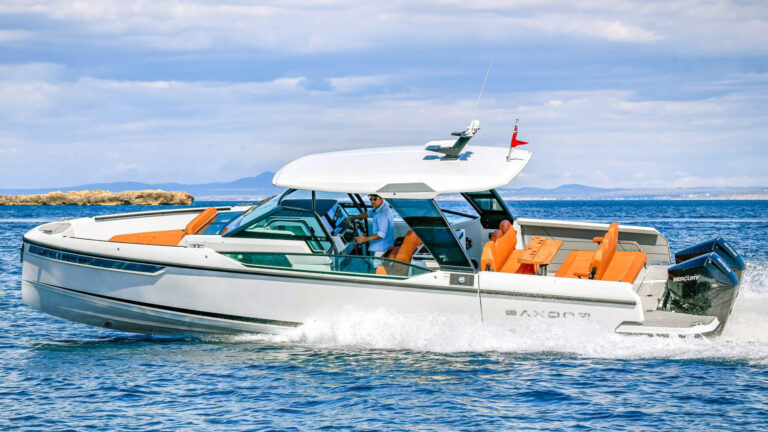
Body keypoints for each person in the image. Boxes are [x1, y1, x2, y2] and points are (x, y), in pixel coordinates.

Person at [347, 194, 394, 258]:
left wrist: (365, 239)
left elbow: (381, 234)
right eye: (371, 199)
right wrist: (353, 218)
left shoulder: (382, 214)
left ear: (381, 199)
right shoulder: (381, 207)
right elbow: (367, 213)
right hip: (385, 245)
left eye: (375, 199)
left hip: (382, 248)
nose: (372, 201)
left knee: (378, 264)